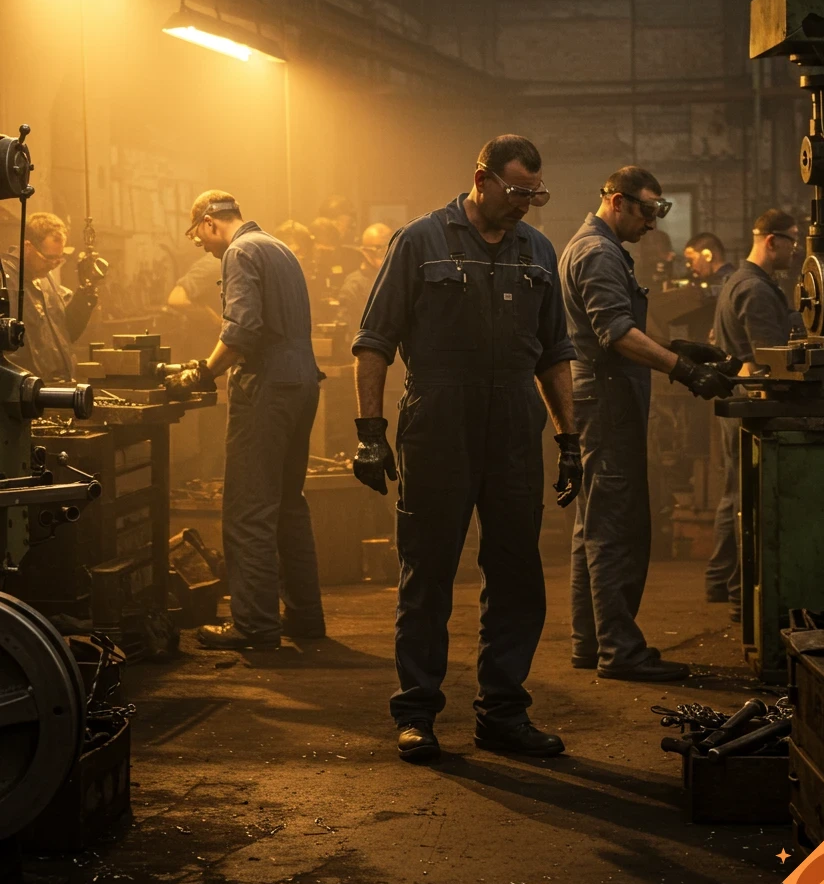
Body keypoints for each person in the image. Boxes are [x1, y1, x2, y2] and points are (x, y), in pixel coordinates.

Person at [351, 135, 582, 764]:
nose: (526, 206)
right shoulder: (419, 242)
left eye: (536, 194)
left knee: (515, 572)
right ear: (480, 178)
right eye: (516, 192)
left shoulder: (537, 250)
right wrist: (370, 433)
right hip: (439, 417)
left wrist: (569, 438)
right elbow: (374, 341)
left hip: (512, 420)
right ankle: (417, 713)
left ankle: (502, 713)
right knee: (427, 571)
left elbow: (557, 354)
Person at [559, 167, 737, 683]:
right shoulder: (597, 252)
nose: (654, 225)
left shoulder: (597, 247)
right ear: (618, 201)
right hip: (607, 400)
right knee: (615, 525)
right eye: (649, 211)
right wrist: (683, 370)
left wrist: (680, 348)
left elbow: (615, 330)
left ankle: (590, 644)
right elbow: (615, 334)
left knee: (593, 523)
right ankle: (620, 650)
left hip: (602, 395)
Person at [166, 190, 325, 650]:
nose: (204, 248)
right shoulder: (279, 247)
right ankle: (305, 617)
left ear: (211, 223)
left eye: (200, 239)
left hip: (268, 387)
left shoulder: (239, 252)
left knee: (248, 509)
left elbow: (241, 331)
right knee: (288, 504)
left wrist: (201, 372)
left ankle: (253, 626)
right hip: (301, 383)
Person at [708, 209, 802, 620]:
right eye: (792, 241)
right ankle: (737, 593)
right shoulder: (756, 290)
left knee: (735, 493)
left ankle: (721, 581)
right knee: (746, 497)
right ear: (771, 241)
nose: (795, 250)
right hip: (749, 401)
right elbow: (769, 360)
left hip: (738, 399)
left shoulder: (744, 281)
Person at [5, 212, 100, 382]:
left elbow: (66, 331)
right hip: (23, 393)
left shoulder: (45, 279)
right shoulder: (5, 280)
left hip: (54, 388)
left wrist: (85, 293)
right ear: (28, 247)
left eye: (58, 259)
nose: (52, 265)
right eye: (49, 258)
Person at [337, 222, 393, 330]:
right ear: (365, 251)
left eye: (390, 245)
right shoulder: (354, 285)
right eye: (379, 248)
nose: (386, 252)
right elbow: (353, 330)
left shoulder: (396, 279)